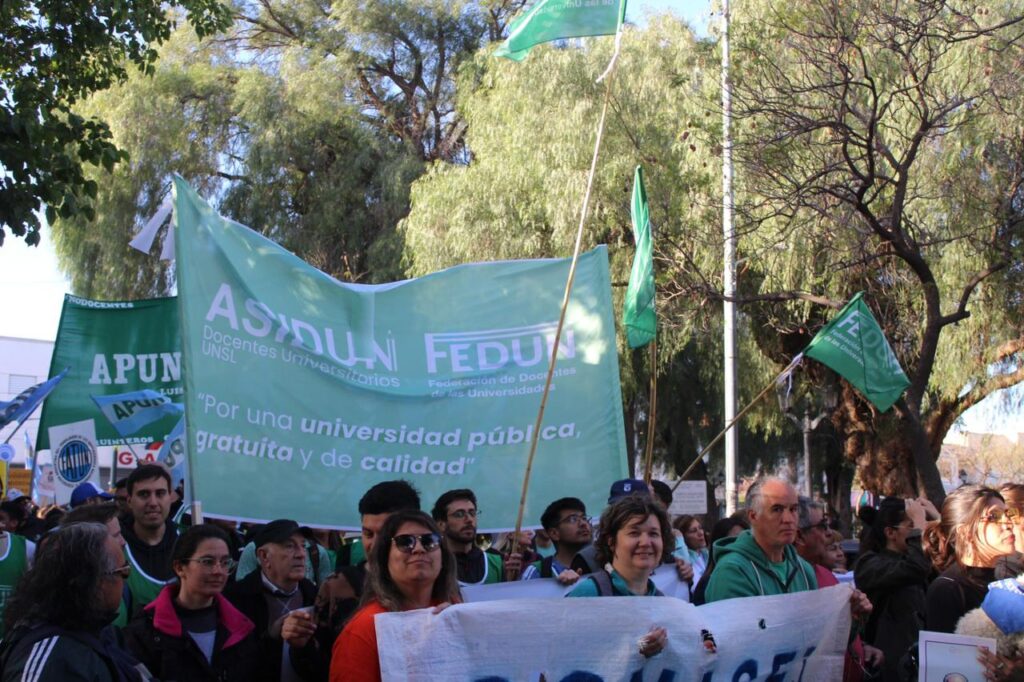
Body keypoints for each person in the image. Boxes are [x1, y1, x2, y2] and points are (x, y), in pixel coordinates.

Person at [295, 480, 421, 682]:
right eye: (368, 533)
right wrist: (300, 646)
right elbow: (318, 668)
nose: (375, 543)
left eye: (387, 533)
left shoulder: (432, 586)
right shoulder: (337, 587)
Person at [705, 478, 872, 624]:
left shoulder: (804, 570)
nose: (788, 519)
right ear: (753, 516)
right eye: (777, 509)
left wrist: (849, 617)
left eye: (793, 509)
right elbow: (737, 644)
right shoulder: (733, 572)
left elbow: (818, 640)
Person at [330, 510, 461, 682]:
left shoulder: (453, 610)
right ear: (385, 558)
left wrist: (462, 629)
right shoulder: (364, 629)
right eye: (405, 542)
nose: (419, 549)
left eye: (430, 541)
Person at [0, 523, 142, 681]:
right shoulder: (53, 661)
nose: (125, 581)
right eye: (123, 571)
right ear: (94, 581)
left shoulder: (104, 633)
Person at [124, 524, 258, 681]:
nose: (218, 571)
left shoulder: (241, 627)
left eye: (225, 562)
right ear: (180, 567)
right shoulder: (145, 631)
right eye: (207, 562)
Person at [565, 494, 673, 658]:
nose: (645, 542)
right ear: (611, 541)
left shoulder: (663, 603)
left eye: (653, 534)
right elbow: (566, 654)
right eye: (634, 533)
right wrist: (638, 647)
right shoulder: (590, 594)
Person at [795, 497, 882, 682]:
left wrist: (859, 638)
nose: (829, 533)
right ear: (799, 536)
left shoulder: (826, 575)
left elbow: (836, 637)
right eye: (822, 526)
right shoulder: (790, 582)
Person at [223, 519, 318, 682]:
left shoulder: (314, 595)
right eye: (289, 546)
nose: (301, 554)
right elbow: (233, 667)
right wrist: (271, 637)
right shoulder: (236, 599)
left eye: (303, 545)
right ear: (264, 556)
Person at [853, 497, 935, 682]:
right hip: (888, 668)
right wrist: (919, 530)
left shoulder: (919, 560)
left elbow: (948, 563)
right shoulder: (870, 564)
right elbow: (915, 568)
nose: (920, 531)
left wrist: (937, 520)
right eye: (912, 525)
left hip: (918, 666)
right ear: (890, 532)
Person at [924, 485, 1017, 633]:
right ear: (964, 532)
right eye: (994, 516)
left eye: (1009, 514)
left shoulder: (1006, 584)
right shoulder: (948, 589)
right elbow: (946, 653)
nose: (1009, 523)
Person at [62, 503, 131, 628]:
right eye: (115, 536)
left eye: (121, 534)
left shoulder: (123, 589)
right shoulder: (62, 608)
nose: (123, 542)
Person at [121, 464, 179, 616]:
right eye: (144, 494)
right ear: (129, 500)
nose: (153, 503)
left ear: (170, 497)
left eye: (160, 493)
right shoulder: (116, 548)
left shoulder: (189, 543)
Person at [432, 489, 520, 584]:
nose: (469, 519)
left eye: (472, 513)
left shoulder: (496, 563)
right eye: (459, 514)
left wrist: (511, 581)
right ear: (441, 524)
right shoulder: (432, 564)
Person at [520, 497, 592, 582]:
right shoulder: (537, 572)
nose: (583, 523)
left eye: (584, 518)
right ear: (554, 533)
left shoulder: (602, 564)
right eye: (573, 519)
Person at [691, 514, 749, 605]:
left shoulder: (755, 576)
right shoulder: (709, 583)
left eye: (744, 540)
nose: (740, 546)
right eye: (732, 541)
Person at [673, 515, 709, 585]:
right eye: (693, 531)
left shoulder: (706, 554)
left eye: (700, 528)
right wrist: (679, 539)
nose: (701, 533)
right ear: (683, 537)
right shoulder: (683, 557)